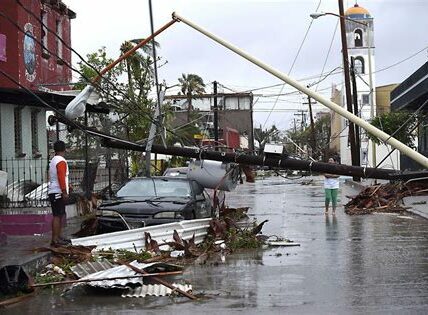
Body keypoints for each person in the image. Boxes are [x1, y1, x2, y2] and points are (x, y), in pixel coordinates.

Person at [48, 140, 70, 246]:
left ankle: (58, 237)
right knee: (57, 215)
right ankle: (55, 239)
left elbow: (59, 177)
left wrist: (67, 186)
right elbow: (61, 176)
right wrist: (64, 191)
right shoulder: (61, 161)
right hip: (58, 192)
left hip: (54, 190)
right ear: (64, 149)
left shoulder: (53, 160)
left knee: (59, 215)